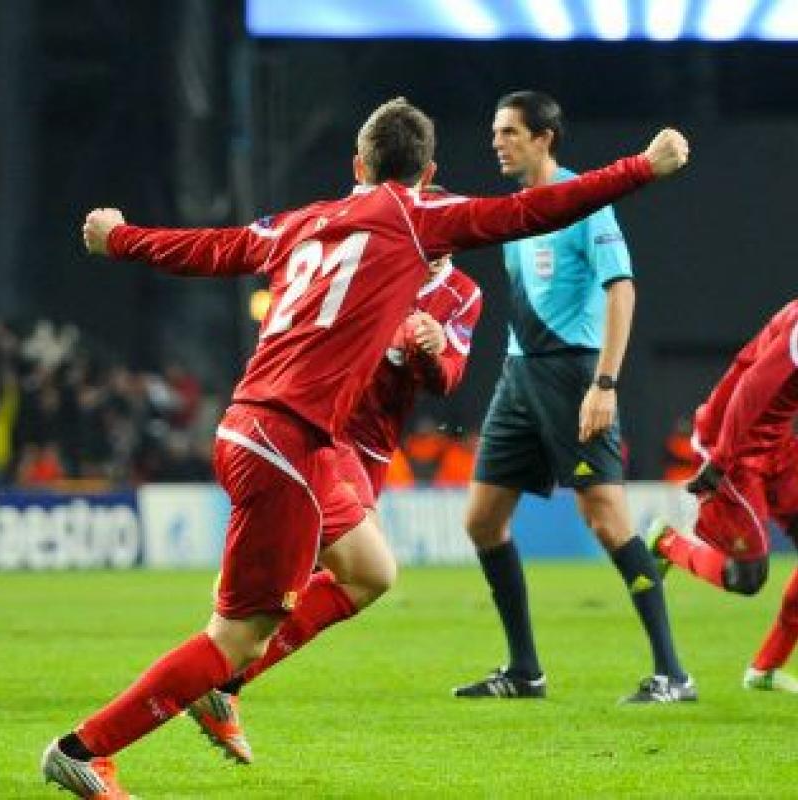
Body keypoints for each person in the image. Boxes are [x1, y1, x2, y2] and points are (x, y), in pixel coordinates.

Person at [41, 95, 690, 798]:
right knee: (236, 638)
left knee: (370, 569)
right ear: (427, 175)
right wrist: (641, 167)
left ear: (358, 164)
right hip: (286, 443)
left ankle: (216, 691)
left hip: (271, 430)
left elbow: (214, 249)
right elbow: (535, 211)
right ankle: (85, 748)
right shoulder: (414, 219)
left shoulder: (303, 221)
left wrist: (121, 237)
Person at [186, 254, 483, 765]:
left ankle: (222, 670)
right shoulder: (375, 258)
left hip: (374, 450)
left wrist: (431, 351)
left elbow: (446, 379)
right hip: (325, 429)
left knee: (324, 575)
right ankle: (213, 675)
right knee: (366, 571)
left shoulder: (463, 293)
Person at [453, 91, 694, 704]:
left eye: (510, 132)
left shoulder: (585, 202)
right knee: (482, 521)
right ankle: (525, 670)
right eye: (495, 131)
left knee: (606, 520)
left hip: (573, 375)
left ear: (544, 138)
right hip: (518, 376)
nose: (497, 143)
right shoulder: (517, 212)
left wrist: (604, 385)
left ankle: (673, 674)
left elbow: (622, 290)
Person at [647, 298, 798, 692]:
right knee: (748, 578)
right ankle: (667, 542)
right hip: (731, 442)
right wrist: (720, 459)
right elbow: (752, 389)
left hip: (776, 439)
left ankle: (764, 669)